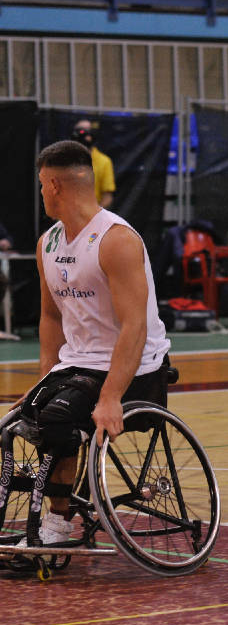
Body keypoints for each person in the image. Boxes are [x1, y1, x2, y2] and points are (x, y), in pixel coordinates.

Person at [8, 140, 171, 546]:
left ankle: (58, 525)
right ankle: (46, 508)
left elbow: (134, 325)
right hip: (79, 365)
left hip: (137, 367)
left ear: (54, 185)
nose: (42, 192)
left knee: (59, 420)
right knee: (14, 421)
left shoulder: (116, 240)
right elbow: (50, 317)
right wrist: (44, 380)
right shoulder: (48, 243)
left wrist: (113, 396)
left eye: (42, 185)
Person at [72, 119, 115, 208]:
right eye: (81, 131)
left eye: (89, 131)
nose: (86, 135)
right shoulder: (63, 159)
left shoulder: (104, 161)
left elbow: (107, 196)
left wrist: (96, 216)